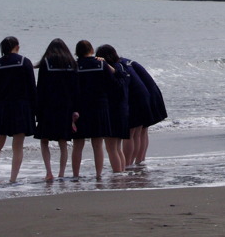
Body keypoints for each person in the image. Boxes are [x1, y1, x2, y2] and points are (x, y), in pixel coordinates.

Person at [0, 36, 36, 184]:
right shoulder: (24, 62)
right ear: (17, 47)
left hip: (0, 108)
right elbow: (32, 89)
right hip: (20, 107)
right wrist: (35, 110)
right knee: (17, 145)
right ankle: (13, 179)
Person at [71, 40, 126, 178]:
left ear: (77, 52)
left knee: (77, 145)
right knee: (97, 144)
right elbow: (114, 85)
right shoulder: (101, 64)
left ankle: (76, 175)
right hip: (99, 107)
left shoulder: (75, 66)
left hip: (80, 108)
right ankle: (98, 174)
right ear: (91, 50)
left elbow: (71, 89)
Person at [34, 38, 79, 181]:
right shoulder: (72, 64)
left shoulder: (46, 63)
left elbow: (40, 88)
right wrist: (75, 109)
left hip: (48, 106)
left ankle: (49, 172)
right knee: (63, 141)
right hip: (66, 106)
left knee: (44, 140)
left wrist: (37, 110)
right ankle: (61, 173)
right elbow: (75, 89)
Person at [118, 55, 167, 167]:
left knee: (131, 133)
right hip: (151, 93)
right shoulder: (127, 62)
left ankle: (127, 164)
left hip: (140, 97)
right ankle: (140, 161)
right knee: (142, 130)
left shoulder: (119, 66)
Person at [95, 44, 130, 173]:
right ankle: (121, 173)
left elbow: (118, 79)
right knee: (117, 147)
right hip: (122, 111)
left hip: (114, 112)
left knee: (111, 148)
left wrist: (104, 65)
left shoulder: (115, 69)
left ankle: (118, 175)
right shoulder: (121, 66)